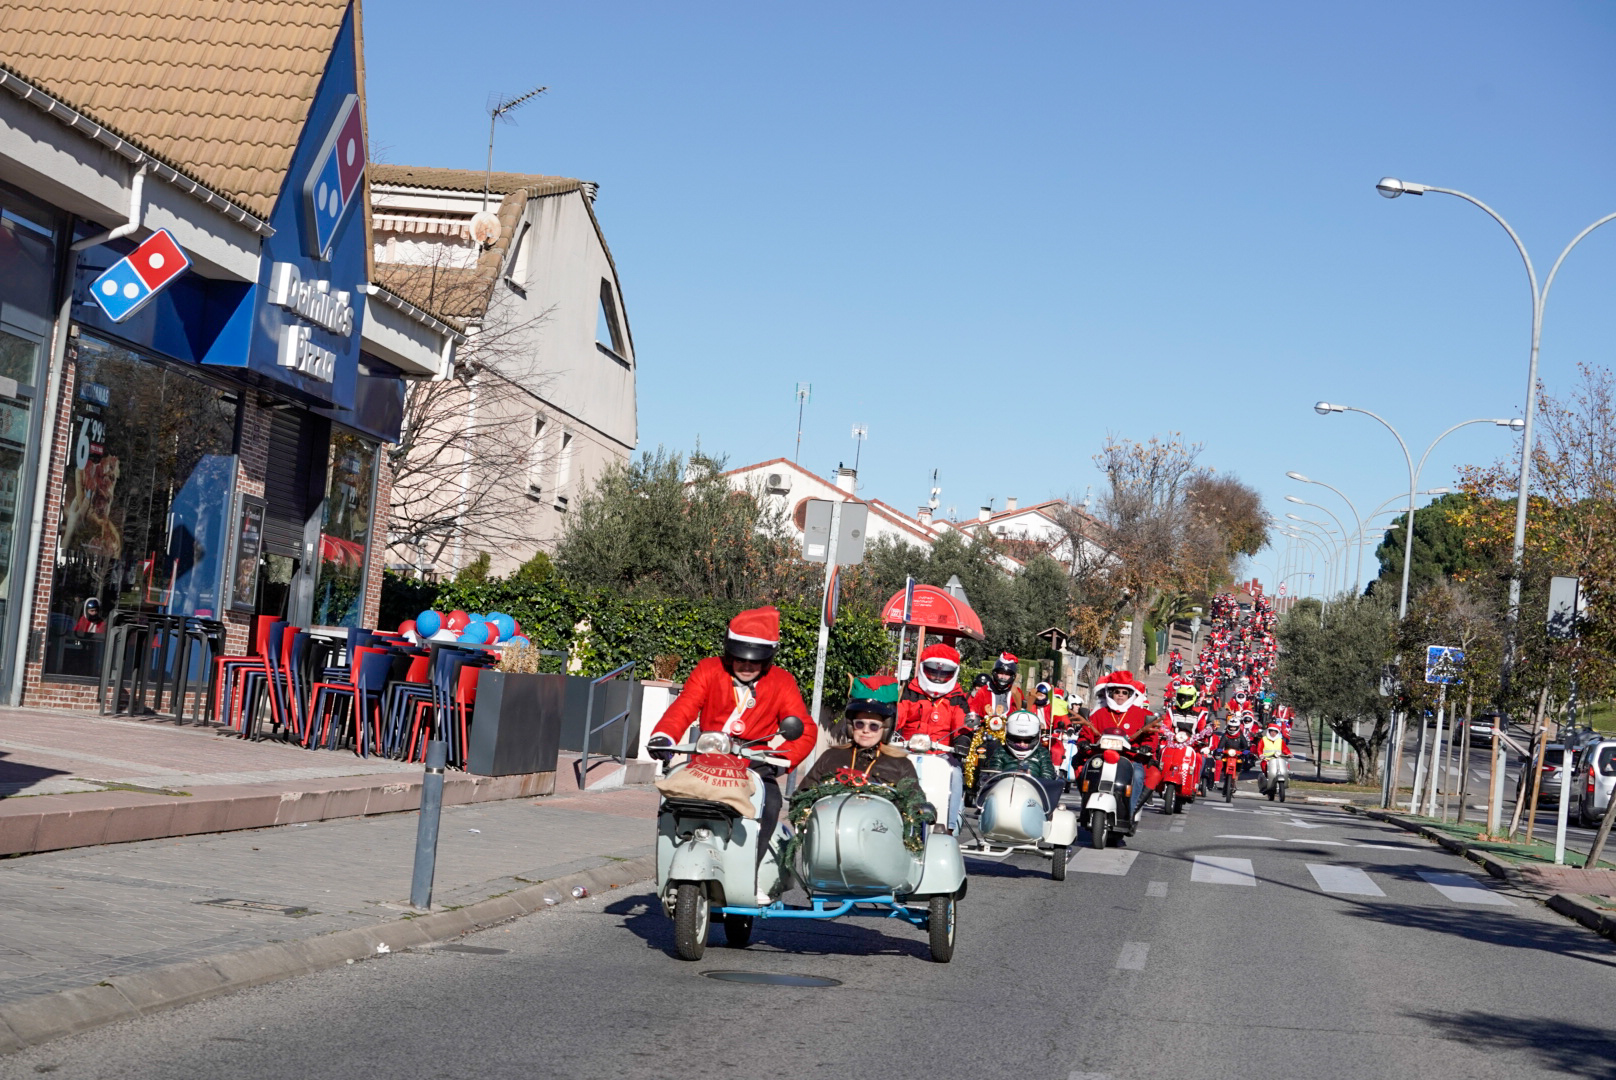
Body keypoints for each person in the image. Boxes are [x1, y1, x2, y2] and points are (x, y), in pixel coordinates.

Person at [648, 606, 815, 901]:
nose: (747, 666)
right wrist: (664, 736)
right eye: (740, 658)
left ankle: (751, 873)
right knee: (673, 798)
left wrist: (782, 760)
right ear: (729, 653)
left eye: (755, 660)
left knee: (770, 804)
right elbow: (685, 706)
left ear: (768, 659)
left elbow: (805, 728)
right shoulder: (709, 669)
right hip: (708, 759)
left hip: (756, 763)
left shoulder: (782, 681)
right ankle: (674, 861)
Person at [896, 643, 971, 831]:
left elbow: (962, 722)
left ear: (954, 673)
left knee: (955, 774)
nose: (937, 677)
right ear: (922, 668)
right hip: (908, 748)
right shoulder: (911, 691)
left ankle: (949, 825)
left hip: (942, 752)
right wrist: (888, 727)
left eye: (944, 673)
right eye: (932, 672)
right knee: (887, 769)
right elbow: (899, 713)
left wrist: (962, 740)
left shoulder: (957, 696)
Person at [801, 677, 917, 788]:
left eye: (873, 726)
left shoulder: (901, 766)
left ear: (885, 728)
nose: (865, 730)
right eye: (860, 724)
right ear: (851, 725)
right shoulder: (830, 757)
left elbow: (915, 799)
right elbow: (803, 793)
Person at [1088, 670, 1161, 825]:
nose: (1120, 695)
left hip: (1130, 759)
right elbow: (1086, 731)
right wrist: (1083, 742)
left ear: (1130, 695)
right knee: (1086, 771)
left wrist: (1146, 746)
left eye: (1124, 692)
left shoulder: (1142, 714)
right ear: (1111, 693)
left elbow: (1151, 736)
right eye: (1117, 692)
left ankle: (1130, 812)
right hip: (1102, 757)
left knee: (1138, 776)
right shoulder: (1099, 713)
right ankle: (1086, 808)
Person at [982, 709, 1062, 807]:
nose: (1022, 744)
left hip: (1033, 800)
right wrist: (1011, 776)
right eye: (1017, 740)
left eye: (1027, 741)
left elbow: (1048, 780)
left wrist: (1030, 778)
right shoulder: (1001, 752)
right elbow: (993, 777)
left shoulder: (1042, 754)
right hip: (1003, 799)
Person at [969, 652, 1024, 719]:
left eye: (1007, 674)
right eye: (1001, 673)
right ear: (995, 673)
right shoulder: (984, 691)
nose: (1003, 677)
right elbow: (973, 710)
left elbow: (1022, 714)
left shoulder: (1017, 692)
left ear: (1012, 676)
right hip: (986, 725)